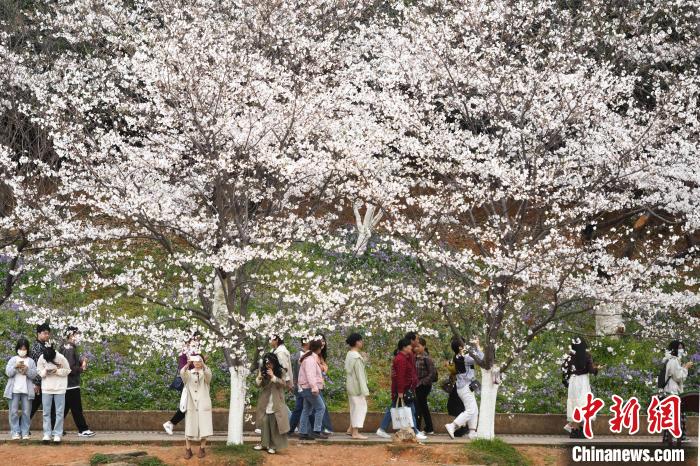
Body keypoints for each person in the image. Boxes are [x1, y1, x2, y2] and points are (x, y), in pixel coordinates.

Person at [376, 338, 427, 440]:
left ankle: (382, 429)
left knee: (394, 409)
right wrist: (400, 391)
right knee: (410, 410)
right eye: (409, 346)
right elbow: (400, 377)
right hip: (403, 390)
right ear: (404, 347)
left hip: (404, 389)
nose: (411, 347)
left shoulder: (405, 357)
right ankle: (415, 432)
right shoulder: (400, 359)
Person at [163, 331, 201, 435]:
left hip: (196, 382)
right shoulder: (185, 351)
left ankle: (172, 424)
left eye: (198, 339)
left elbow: (198, 365)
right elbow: (183, 368)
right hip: (188, 382)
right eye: (196, 338)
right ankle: (170, 423)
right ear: (191, 338)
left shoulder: (195, 350)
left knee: (192, 406)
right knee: (186, 406)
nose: (198, 341)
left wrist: (203, 361)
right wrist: (191, 364)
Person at [445, 337, 483, 440]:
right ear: (460, 347)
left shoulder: (458, 357)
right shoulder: (465, 358)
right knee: (471, 410)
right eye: (464, 344)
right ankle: (452, 426)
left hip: (464, 387)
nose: (466, 345)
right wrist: (478, 346)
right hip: (465, 387)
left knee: (474, 410)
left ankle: (472, 432)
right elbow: (481, 359)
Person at [562, 337, 600, 439]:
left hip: (573, 381)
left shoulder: (570, 356)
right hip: (583, 381)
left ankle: (574, 430)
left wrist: (566, 382)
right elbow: (591, 370)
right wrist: (596, 369)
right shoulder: (587, 356)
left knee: (574, 404)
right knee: (584, 404)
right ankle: (582, 430)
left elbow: (564, 370)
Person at [60, 326, 95, 437]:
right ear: (71, 335)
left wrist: (80, 361)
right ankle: (83, 429)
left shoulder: (64, 346)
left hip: (66, 383)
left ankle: (54, 428)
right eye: (77, 334)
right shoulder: (69, 347)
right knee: (76, 408)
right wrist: (81, 368)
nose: (78, 336)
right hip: (71, 384)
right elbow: (69, 367)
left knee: (65, 407)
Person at [254, 353, 289, 454]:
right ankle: (264, 444)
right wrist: (260, 377)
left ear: (274, 362)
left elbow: (283, 384)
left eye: (270, 363)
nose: (268, 365)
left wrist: (273, 376)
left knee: (274, 424)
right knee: (264, 422)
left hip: (276, 400)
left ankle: (273, 446)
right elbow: (258, 385)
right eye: (266, 363)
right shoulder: (263, 372)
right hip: (265, 401)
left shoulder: (281, 371)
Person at [4, 337, 37, 440]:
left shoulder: (31, 361)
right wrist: (15, 367)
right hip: (13, 390)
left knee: (26, 412)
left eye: (24, 348)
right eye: (21, 348)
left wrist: (27, 370)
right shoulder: (13, 360)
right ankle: (15, 432)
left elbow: (34, 375)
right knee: (13, 412)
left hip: (26, 391)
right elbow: (8, 373)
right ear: (17, 348)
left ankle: (25, 432)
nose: (22, 351)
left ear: (27, 349)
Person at [181, 354, 213, 459]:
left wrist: (203, 364)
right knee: (189, 427)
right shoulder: (188, 374)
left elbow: (209, 376)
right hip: (191, 404)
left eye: (200, 361)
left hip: (203, 403)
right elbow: (182, 374)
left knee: (204, 427)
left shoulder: (205, 373)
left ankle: (202, 448)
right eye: (195, 361)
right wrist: (187, 364)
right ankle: (188, 449)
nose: (197, 363)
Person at [37, 346, 70, 443]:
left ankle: (57, 434)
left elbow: (67, 370)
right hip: (46, 388)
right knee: (46, 412)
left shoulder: (61, 357)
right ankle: (47, 434)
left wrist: (57, 371)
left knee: (59, 412)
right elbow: (39, 371)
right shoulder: (42, 357)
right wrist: (45, 372)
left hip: (59, 388)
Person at [662, 340, 693, 442]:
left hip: (670, 391)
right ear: (674, 349)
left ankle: (671, 437)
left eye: (682, 347)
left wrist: (682, 368)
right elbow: (678, 376)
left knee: (672, 414)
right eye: (679, 347)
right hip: (672, 391)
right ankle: (677, 437)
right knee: (676, 414)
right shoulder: (673, 361)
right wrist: (686, 368)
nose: (681, 349)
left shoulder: (670, 360)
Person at [297, 339, 328, 440]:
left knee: (306, 409)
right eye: (321, 347)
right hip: (310, 388)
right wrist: (314, 388)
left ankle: (303, 432)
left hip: (306, 387)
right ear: (318, 349)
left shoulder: (309, 358)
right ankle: (316, 431)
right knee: (321, 408)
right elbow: (310, 375)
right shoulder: (310, 359)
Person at [30, 323, 54, 429]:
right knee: (34, 406)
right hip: (40, 382)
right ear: (38, 333)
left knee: (37, 406)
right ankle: (21, 426)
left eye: (48, 333)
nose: (47, 336)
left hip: (45, 381)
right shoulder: (36, 347)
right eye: (44, 333)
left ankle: (52, 428)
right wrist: (36, 383)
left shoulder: (44, 346)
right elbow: (37, 366)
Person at [344, 333, 369, 439]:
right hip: (357, 387)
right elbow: (361, 376)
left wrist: (364, 360)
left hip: (350, 385)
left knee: (354, 407)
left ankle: (350, 429)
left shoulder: (350, 354)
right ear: (357, 342)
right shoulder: (357, 357)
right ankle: (355, 432)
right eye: (360, 340)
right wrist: (365, 391)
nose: (362, 342)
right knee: (360, 408)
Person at [414, 337, 436, 435]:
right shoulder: (415, 357)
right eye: (415, 346)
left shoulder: (427, 358)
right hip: (417, 385)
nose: (416, 348)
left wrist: (422, 382)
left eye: (418, 346)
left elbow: (432, 373)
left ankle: (418, 429)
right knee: (423, 406)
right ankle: (429, 428)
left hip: (424, 386)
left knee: (419, 406)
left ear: (424, 346)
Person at [288, 338, 309, 434]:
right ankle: (293, 429)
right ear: (306, 342)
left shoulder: (300, 355)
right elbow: (300, 373)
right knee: (301, 408)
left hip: (299, 385)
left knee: (300, 407)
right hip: (301, 386)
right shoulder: (301, 355)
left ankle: (291, 428)